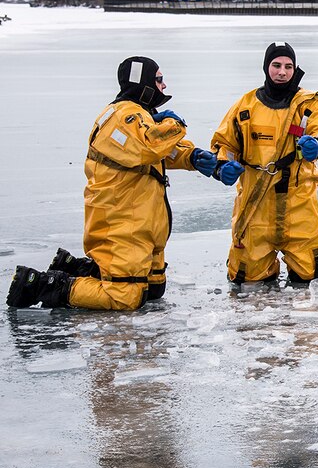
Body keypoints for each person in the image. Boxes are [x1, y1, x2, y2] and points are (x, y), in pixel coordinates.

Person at [6, 56, 219, 310]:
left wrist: (193, 156)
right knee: (125, 296)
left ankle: (81, 268)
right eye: (159, 79)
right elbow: (150, 145)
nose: (164, 85)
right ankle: (43, 284)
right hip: (121, 224)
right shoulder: (124, 116)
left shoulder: (139, 115)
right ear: (144, 83)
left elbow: (156, 151)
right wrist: (174, 124)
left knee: (154, 289)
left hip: (143, 224)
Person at [210, 41, 318, 285]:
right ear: (266, 67)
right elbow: (225, 143)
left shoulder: (310, 104)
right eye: (276, 65)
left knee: (313, 276)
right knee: (246, 279)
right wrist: (222, 165)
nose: (282, 72)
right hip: (255, 206)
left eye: (288, 66)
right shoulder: (246, 106)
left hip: (299, 205)